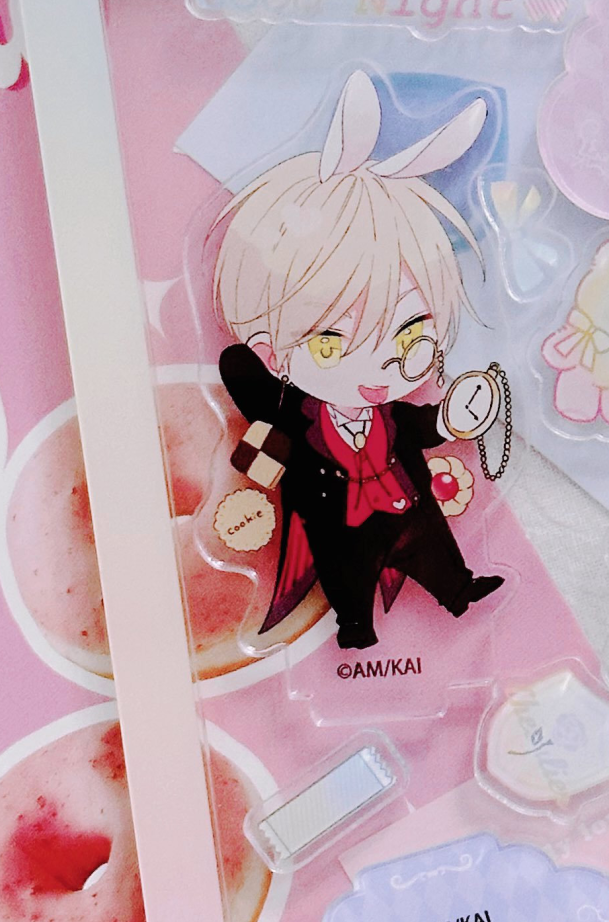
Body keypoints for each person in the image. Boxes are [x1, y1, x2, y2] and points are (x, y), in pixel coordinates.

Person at [212, 70, 504, 652]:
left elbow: (417, 426)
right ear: (274, 351)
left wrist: (452, 420)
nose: (379, 367)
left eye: (409, 332)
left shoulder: (390, 413)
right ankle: (354, 624)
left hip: (405, 505)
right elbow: (239, 371)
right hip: (337, 521)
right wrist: (267, 360)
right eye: (331, 343)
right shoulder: (295, 410)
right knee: (346, 573)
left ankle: (457, 590)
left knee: (431, 546)